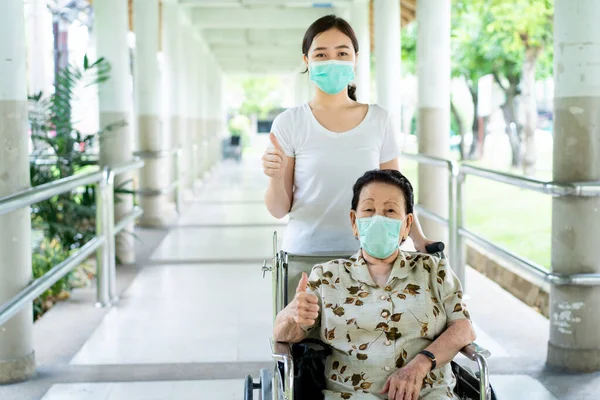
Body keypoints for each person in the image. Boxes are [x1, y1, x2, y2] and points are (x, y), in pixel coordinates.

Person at [273, 169, 476, 400]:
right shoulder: (327, 276)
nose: (378, 219)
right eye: (369, 210)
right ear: (354, 222)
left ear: (407, 224)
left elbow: (463, 328)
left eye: (390, 211)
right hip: (351, 395)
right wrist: (292, 316)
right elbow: (282, 333)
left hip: (430, 392)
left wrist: (420, 364)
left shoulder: (433, 270)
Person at [262, 15, 435, 255]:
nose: (332, 61)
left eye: (342, 53)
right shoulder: (289, 123)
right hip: (305, 258)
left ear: (355, 59)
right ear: (306, 60)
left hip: (370, 259)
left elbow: (397, 193)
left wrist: (418, 239)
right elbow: (279, 209)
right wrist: (275, 176)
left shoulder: (379, 120)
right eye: (321, 54)